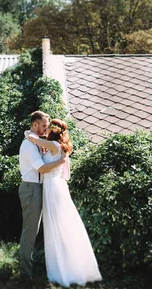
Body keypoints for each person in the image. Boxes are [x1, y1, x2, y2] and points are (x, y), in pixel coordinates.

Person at [25, 118, 102, 287]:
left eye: (47, 128)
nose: (45, 130)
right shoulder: (55, 146)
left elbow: (32, 139)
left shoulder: (53, 145)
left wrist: (31, 133)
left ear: (52, 130)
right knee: (58, 225)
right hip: (53, 185)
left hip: (52, 187)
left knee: (57, 225)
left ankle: (64, 269)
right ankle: (66, 265)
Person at [18, 111, 66, 280]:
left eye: (47, 127)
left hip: (39, 187)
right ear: (35, 124)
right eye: (44, 126)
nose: (46, 129)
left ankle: (34, 266)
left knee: (37, 229)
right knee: (30, 230)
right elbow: (41, 168)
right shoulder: (29, 145)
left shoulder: (36, 141)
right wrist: (60, 162)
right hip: (30, 188)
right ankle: (26, 273)